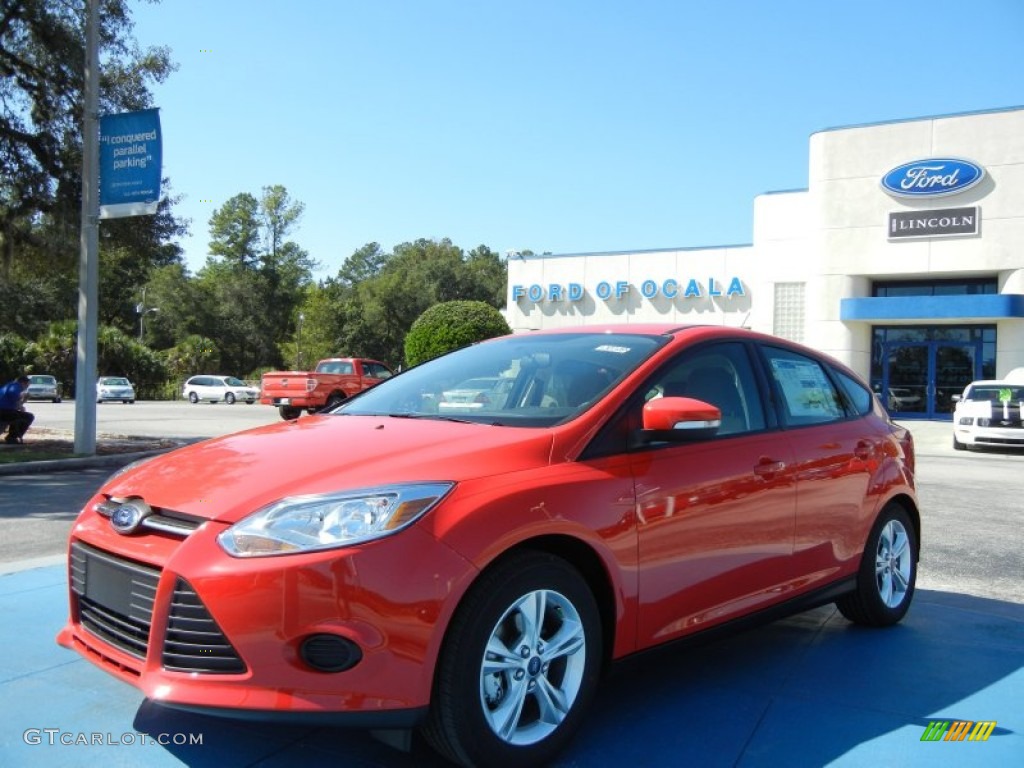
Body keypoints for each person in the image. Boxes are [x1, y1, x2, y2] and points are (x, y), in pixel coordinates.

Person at [0, 375, 33, 445]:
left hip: (5, 410)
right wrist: (21, 406)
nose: (27, 387)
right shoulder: (16, 387)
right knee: (28, 417)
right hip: (3, 411)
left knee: (18, 415)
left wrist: (24, 400)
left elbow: (15, 405)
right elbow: (13, 395)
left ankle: (12, 437)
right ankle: (12, 437)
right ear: (23, 383)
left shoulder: (10, 385)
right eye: (27, 385)